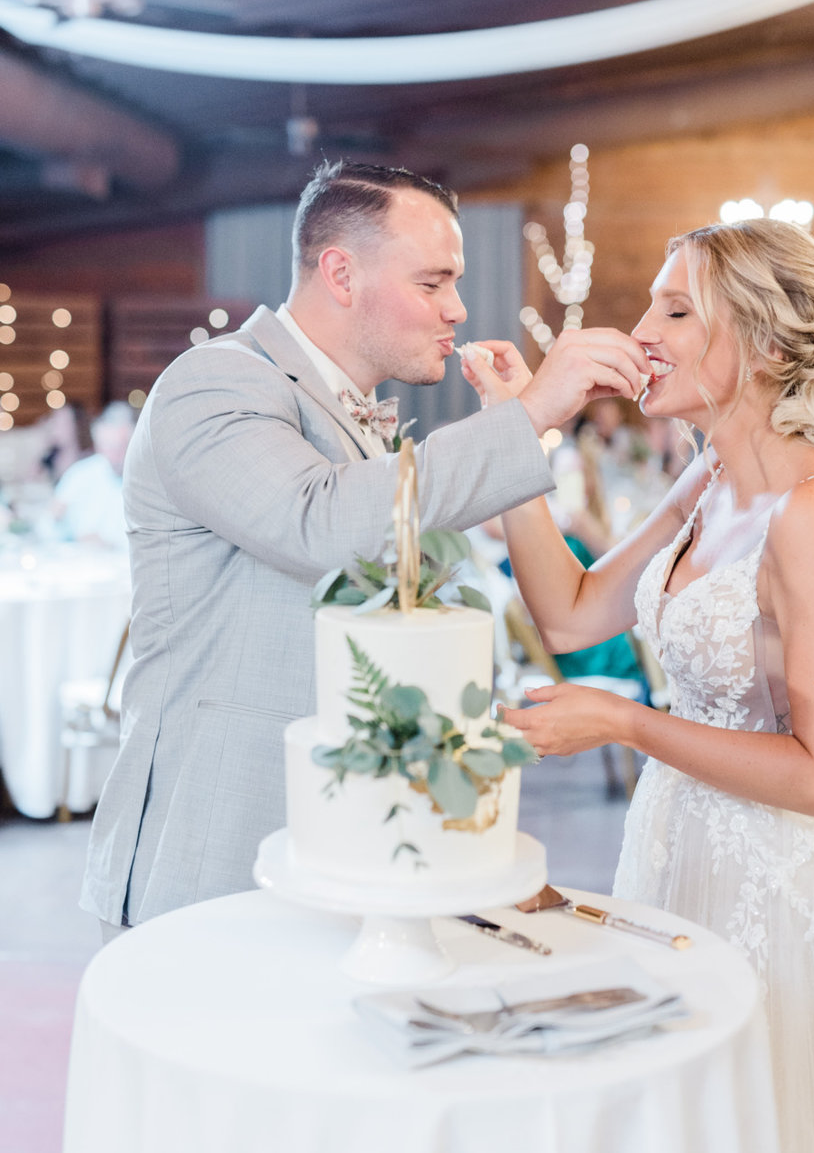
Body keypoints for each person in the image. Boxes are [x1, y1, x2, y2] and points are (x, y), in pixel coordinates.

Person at [462, 218, 814, 1153]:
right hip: (680, 851)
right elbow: (572, 610)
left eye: (677, 309)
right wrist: (516, 430)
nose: (643, 331)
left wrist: (628, 726)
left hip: (792, 886)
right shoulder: (707, 479)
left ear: (767, 345)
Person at [80, 160, 650, 935]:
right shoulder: (214, 384)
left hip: (344, 835)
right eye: (432, 283)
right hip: (223, 834)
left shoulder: (355, 416)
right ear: (340, 274)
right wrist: (536, 415)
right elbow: (321, 525)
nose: (458, 307)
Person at [53, 400, 137, 549]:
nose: (112, 456)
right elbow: (50, 520)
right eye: (105, 447)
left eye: (119, 447)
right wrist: (67, 533)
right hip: (76, 560)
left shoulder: (146, 482)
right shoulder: (80, 473)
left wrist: (108, 545)